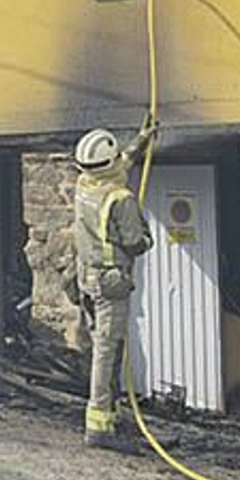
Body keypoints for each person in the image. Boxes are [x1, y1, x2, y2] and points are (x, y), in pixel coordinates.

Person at [71, 119, 155, 450]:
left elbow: (118, 166)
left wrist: (140, 141)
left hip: (86, 277)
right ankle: (98, 427)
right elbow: (136, 243)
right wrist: (147, 235)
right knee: (106, 350)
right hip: (111, 281)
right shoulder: (121, 199)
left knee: (109, 345)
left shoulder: (84, 183)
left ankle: (112, 412)